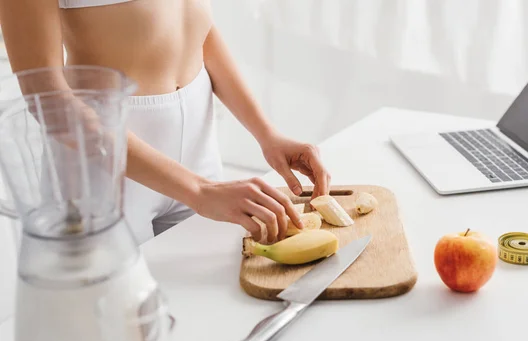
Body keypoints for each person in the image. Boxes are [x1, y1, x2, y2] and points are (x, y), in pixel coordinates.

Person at [0, 0, 331, 245]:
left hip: (198, 149)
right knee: (119, 331)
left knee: (211, 313)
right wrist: (200, 190)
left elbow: (197, 29)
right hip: (105, 171)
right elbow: (49, 101)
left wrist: (267, 134)